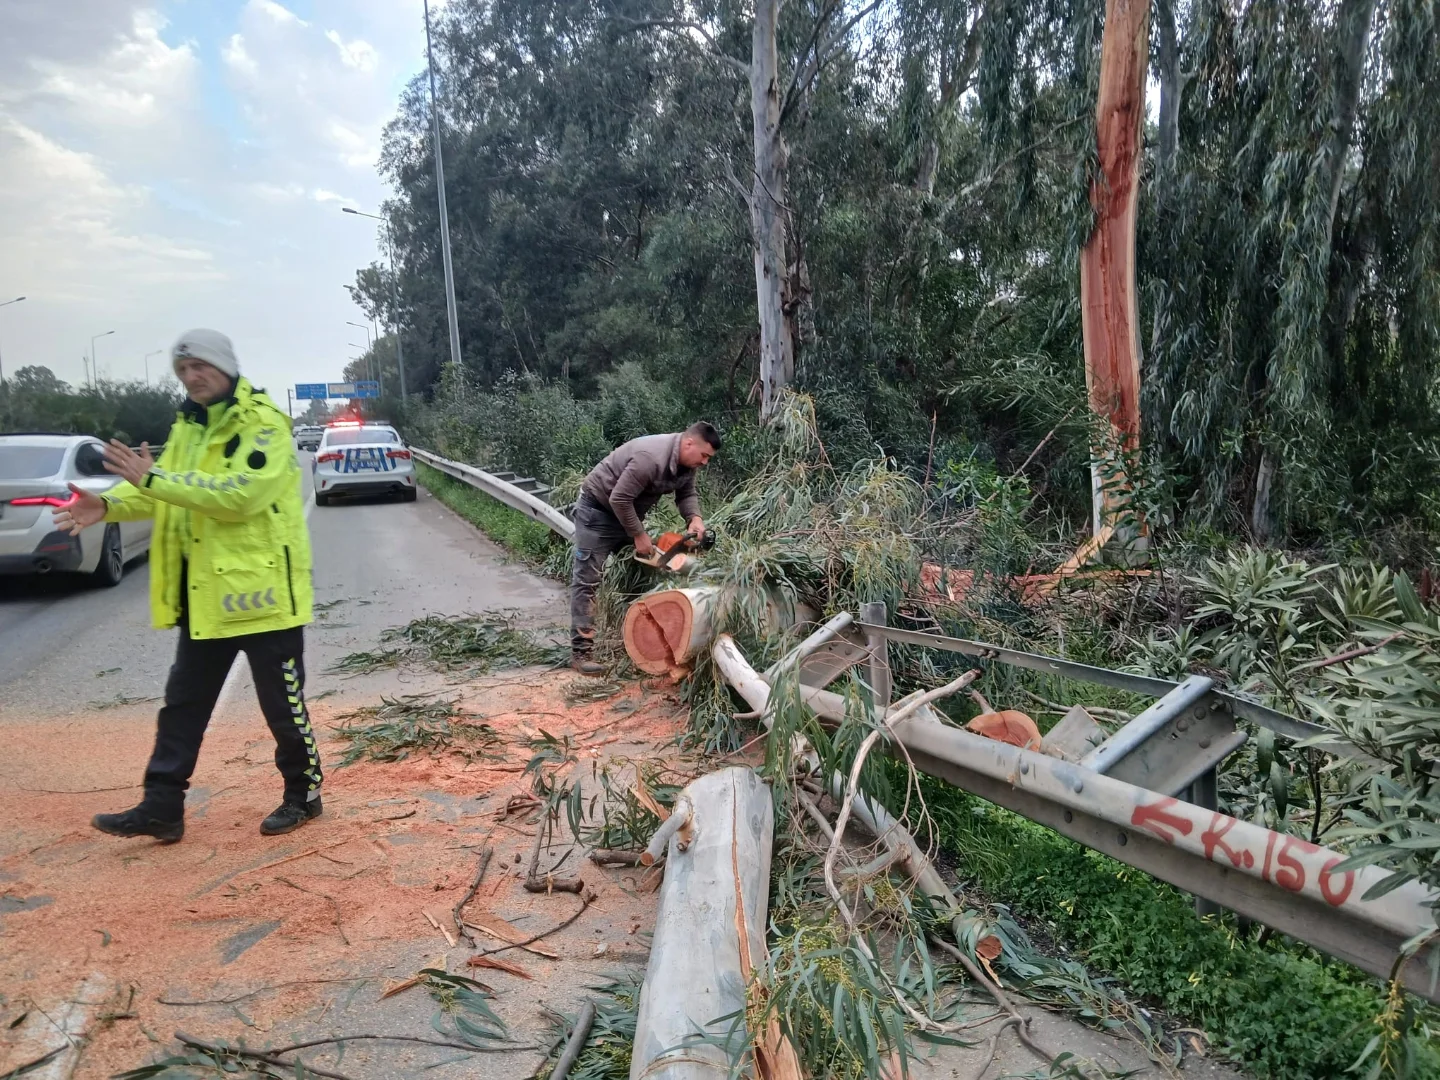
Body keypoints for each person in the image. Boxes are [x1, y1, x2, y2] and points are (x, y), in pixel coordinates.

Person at [54, 329, 319, 843]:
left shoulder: (263, 423)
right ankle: (161, 806)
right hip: (206, 598)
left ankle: (303, 795)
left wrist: (153, 480)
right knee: (182, 705)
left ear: (225, 366)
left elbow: (241, 496)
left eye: (200, 366)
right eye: (182, 370)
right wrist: (107, 505)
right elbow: (162, 491)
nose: (191, 377)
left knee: (283, 708)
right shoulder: (189, 427)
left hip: (265, 599)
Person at [570, 422, 720, 674]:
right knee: (587, 580)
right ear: (689, 443)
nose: (705, 462)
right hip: (597, 512)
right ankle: (581, 653)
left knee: (652, 568)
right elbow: (619, 498)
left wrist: (694, 518)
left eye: (709, 458)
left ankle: (642, 638)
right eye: (704, 455)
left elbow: (686, 494)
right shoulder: (649, 458)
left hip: (627, 513)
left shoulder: (687, 464)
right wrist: (638, 535)